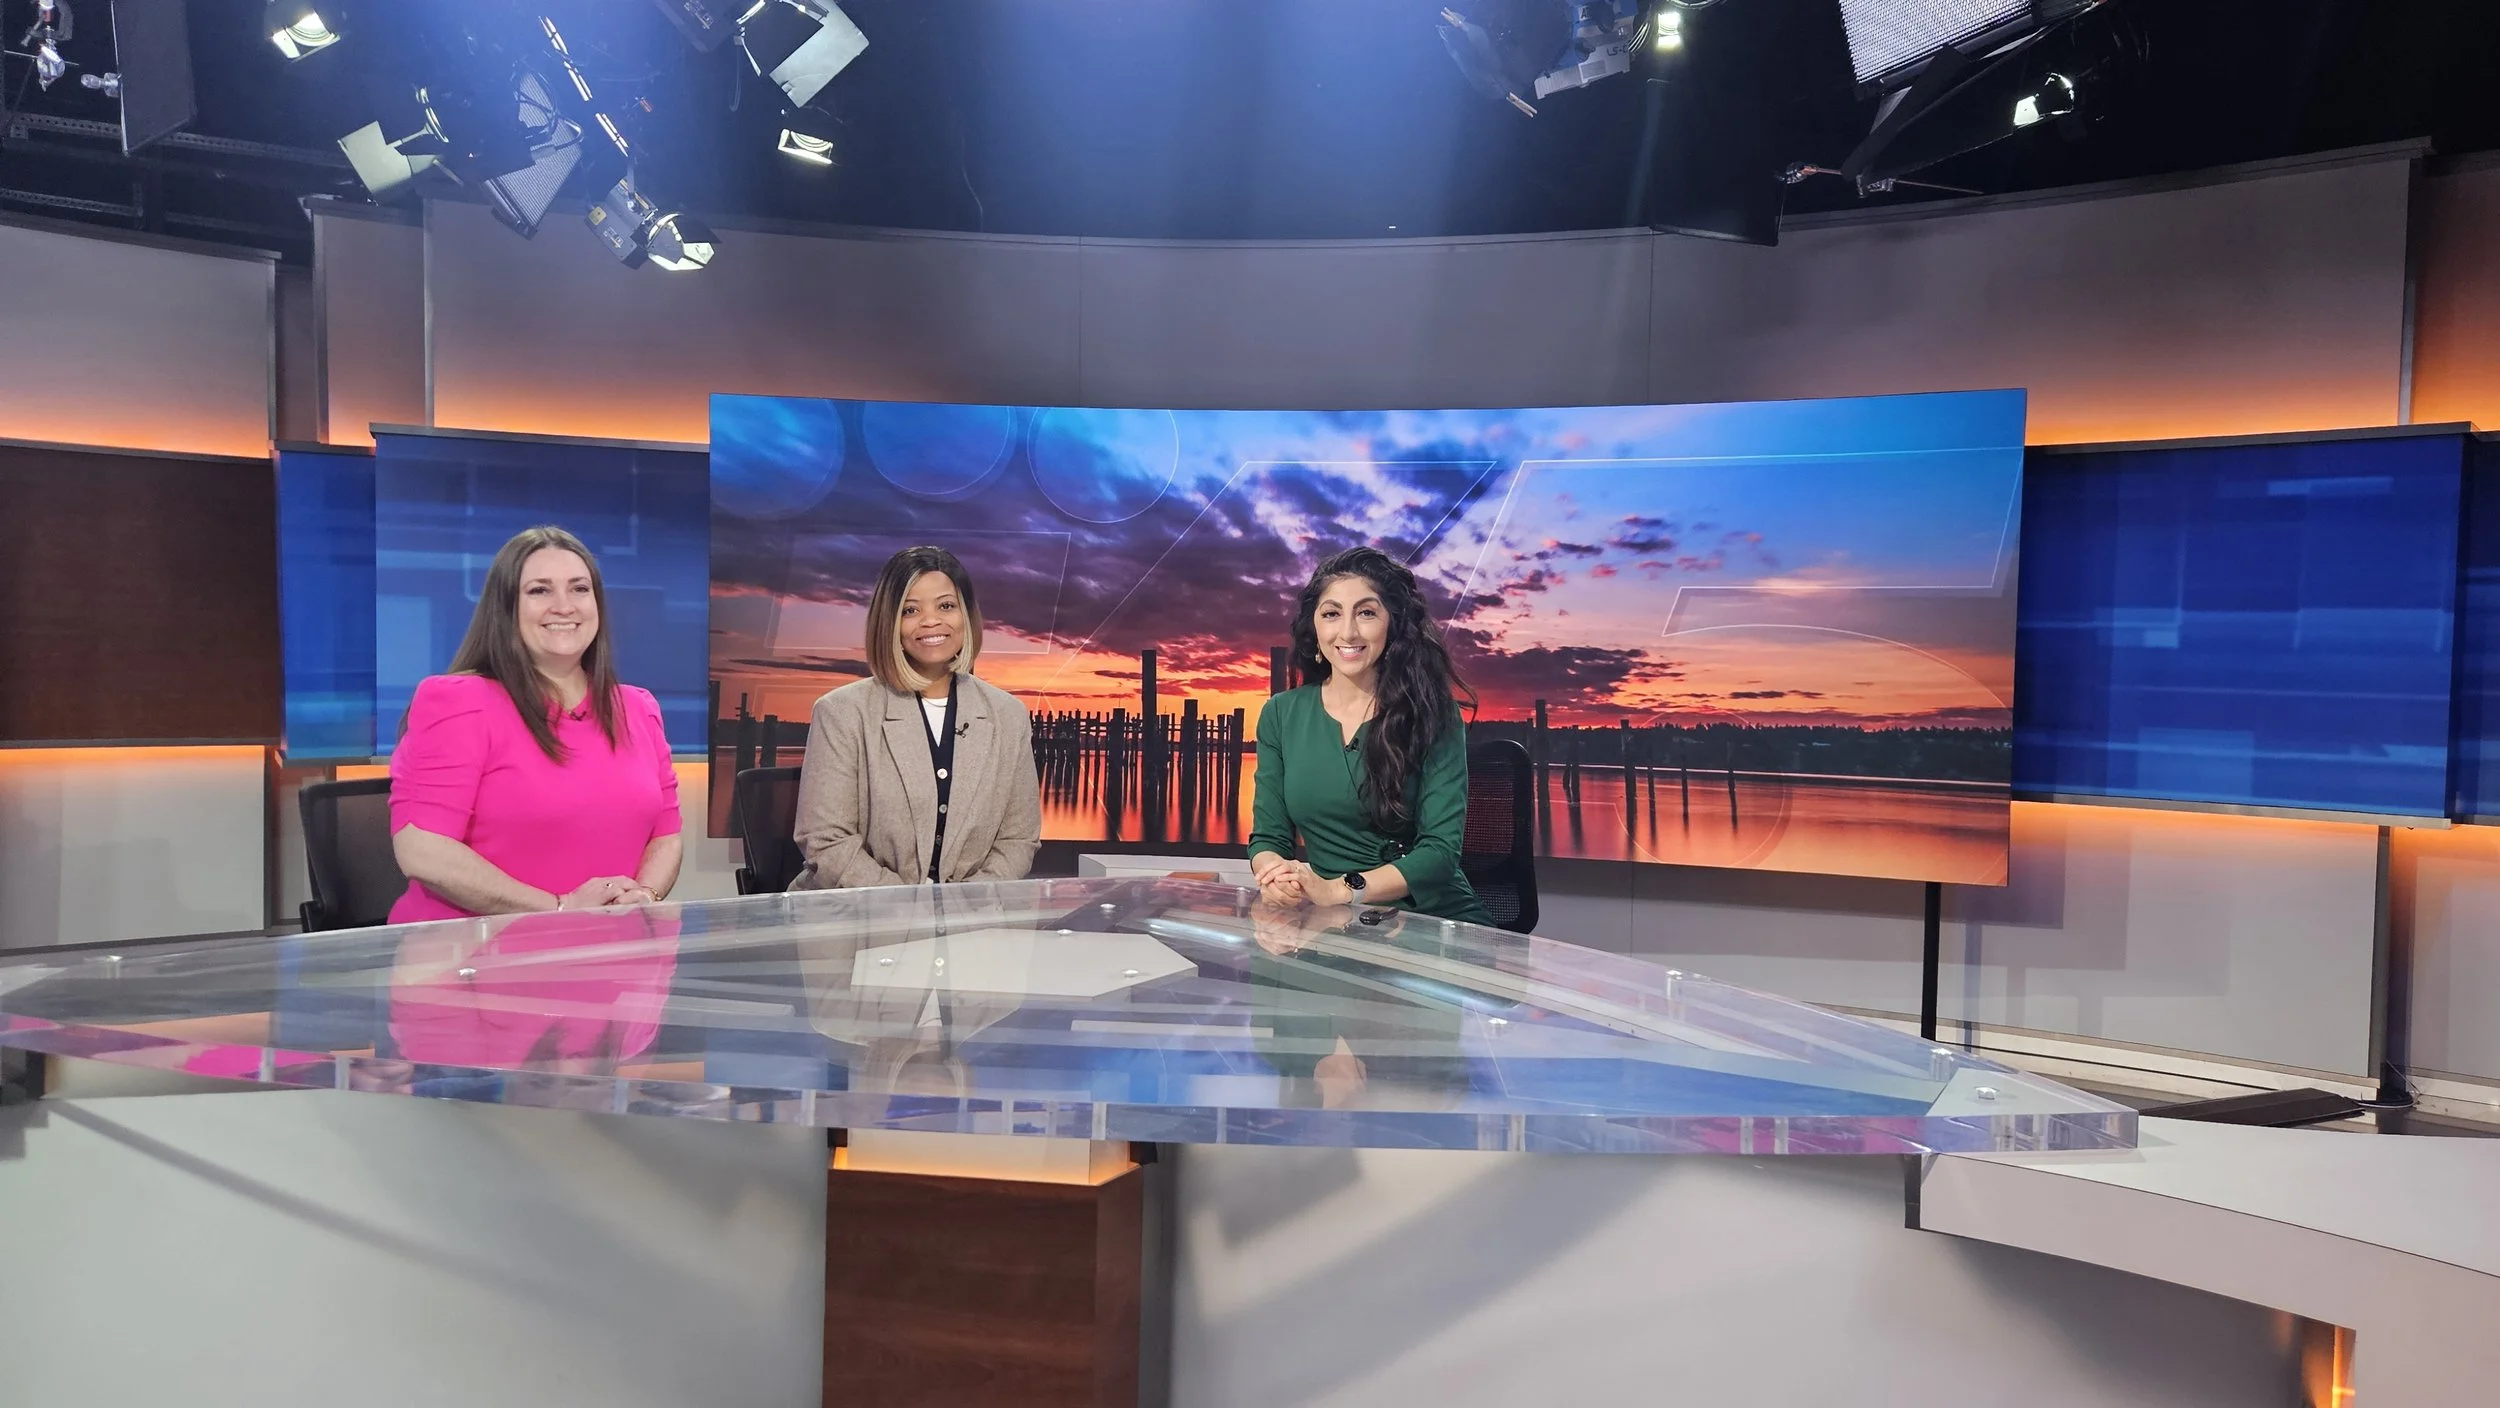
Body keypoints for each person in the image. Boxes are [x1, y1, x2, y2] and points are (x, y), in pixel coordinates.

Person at [386, 526, 683, 923]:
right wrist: (558, 909)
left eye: (579, 589)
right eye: (540, 590)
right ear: (506, 607)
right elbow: (422, 850)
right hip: (470, 958)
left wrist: (644, 895)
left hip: (612, 957)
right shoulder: (458, 701)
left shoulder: (638, 708)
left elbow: (666, 835)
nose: (564, 606)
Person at [1248, 546, 1493, 926]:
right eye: (1331, 614)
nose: (1347, 632)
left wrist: (1343, 889)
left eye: (1366, 613)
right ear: (1314, 627)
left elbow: (1440, 853)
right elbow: (1268, 837)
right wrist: (1276, 875)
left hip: (1429, 917)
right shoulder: (1280, 714)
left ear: (1392, 624)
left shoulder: (1434, 713)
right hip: (1332, 921)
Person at [792, 545, 1042, 889]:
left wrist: (965, 904)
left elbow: (1018, 838)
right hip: (860, 919)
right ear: (890, 622)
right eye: (910, 609)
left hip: (969, 921)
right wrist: (911, 907)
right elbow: (826, 840)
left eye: (946, 606)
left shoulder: (1008, 716)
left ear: (966, 615)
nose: (931, 621)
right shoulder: (842, 712)